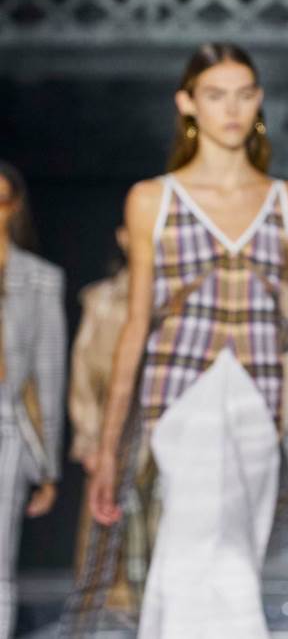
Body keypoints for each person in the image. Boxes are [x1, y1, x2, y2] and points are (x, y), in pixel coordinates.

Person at [75, 43, 288, 637]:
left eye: (243, 94)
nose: (232, 109)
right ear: (187, 103)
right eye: (216, 95)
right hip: (181, 394)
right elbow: (135, 326)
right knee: (210, 549)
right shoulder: (153, 199)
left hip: (260, 398)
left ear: (259, 100)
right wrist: (108, 451)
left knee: (232, 544)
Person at [0, 161, 66, 639]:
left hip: (8, 426)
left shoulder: (39, 279)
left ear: (15, 206)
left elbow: (48, 374)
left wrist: (48, 467)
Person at [68, 225, 147, 608]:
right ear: (122, 237)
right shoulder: (101, 299)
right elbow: (83, 372)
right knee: (106, 509)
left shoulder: (178, 299)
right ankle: (104, 601)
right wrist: (87, 438)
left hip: (161, 420)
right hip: (109, 422)